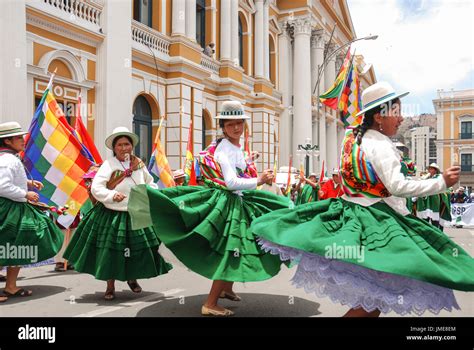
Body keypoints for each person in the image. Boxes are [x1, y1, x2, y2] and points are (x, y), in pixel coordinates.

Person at [251, 82, 474, 317]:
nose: (401, 119)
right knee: (380, 291)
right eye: (396, 113)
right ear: (379, 116)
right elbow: (397, 186)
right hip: (375, 218)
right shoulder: (380, 144)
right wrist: (441, 183)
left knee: (375, 296)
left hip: (357, 213)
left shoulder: (356, 139)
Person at [128, 101, 290, 316]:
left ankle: (227, 290)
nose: (236, 128)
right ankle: (211, 303)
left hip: (237, 201)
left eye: (239, 123)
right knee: (230, 248)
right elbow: (231, 182)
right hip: (230, 204)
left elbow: (237, 167)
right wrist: (259, 178)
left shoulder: (233, 147)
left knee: (237, 247)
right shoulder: (224, 149)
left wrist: (250, 161)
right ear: (223, 127)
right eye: (230, 124)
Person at [63, 127, 172, 300]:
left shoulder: (139, 164)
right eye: (119, 145)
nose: (123, 148)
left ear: (132, 146)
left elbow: (150, 182)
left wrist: (150, 192)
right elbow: (97, 188)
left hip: (135, 213)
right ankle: (110, 286)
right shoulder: (109, 165)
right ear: (114, 148)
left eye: (126, 144)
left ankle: (132, 278)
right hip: (112, 215)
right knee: (111, 251)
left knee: (137, 250)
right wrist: (112, 195)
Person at [0, 122, 64, 302]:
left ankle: (11, 286)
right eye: (19, 137)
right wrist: (25, 193)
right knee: (6, 247)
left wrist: (28, 183)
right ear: (7, 141)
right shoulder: (7, 160)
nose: (23, 140)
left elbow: (10, 179)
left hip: (15, 207)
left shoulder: (9, 158)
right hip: (8, 209)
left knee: (18, 246)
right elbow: (2, 186)